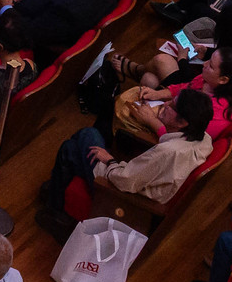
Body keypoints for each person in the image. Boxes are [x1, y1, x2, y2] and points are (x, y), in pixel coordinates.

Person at [40, 89, 218, 227]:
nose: (166, 103)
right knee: (73, 148)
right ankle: (56, 194)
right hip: (137, 181)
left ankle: (56, 208)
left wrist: (110, 161)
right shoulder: (204, 139)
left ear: (183, 122)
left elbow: (124, 181)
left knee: (83, 138)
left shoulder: (168, 152)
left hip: (122, 196)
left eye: (172, 105)